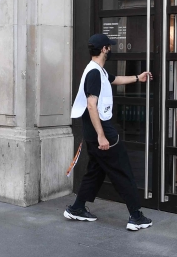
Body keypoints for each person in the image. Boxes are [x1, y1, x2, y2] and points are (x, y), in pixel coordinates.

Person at [64, 33, 154, 231]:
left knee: (95, 171)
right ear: (104, 49)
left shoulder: (98, 71)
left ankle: (77, 208)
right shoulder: (95, 73)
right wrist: (101, 136)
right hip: (102, 131)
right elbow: (91, 105)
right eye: (109, 47)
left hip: (93, 132)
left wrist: (138, 77)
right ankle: (135, 216)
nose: (111, 49)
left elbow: (115, 79)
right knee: (123, 171)